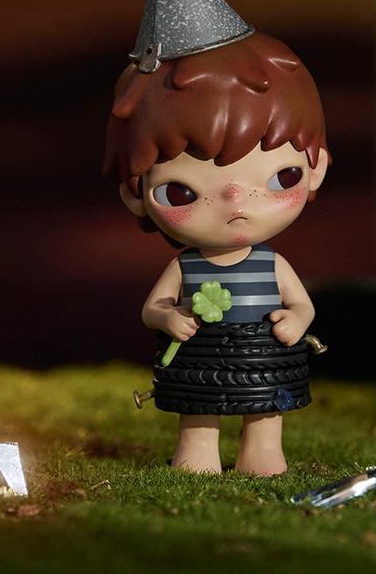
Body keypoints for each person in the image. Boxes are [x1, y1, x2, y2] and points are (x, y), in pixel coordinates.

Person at [104, 31, 329, 476]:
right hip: (199, 357)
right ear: (135, 193)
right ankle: (196, 457)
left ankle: (262, 455)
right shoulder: (185, 266)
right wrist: (168, 317)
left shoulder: (272, 265)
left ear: (316, 167)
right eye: (181, 191)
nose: (235, 202)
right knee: (199, 409)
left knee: (266, 409)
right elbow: (153, 308)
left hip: (264, 356)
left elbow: (302, 304)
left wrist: (297, 319)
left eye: (281, 178)